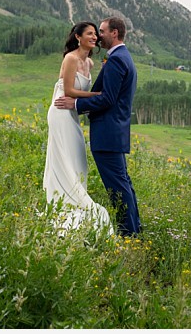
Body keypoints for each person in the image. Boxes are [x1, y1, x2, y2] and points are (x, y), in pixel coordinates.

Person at [54, 16, 141, 237]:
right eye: (94, 32)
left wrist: (76, 103)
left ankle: (128, 234)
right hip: (113, 132)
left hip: (108, 132)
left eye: (101, 31)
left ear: (114, 33)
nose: (98, 36)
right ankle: (134, 230)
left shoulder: (117, 60)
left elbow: (107, 98)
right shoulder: (122, 57)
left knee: (118, 188)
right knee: (123, 184)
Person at [43, 21, 112, 235]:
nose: (94, 37)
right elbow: (70, 91)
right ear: (78, 37)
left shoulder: (90, 63)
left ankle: (76, 193)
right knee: (63, 155)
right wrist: (97, 96)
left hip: (72, 113)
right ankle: (63, 198)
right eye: (90, 34)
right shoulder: (70, 58)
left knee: (77, 156)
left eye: (95, 34)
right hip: (61, 111)